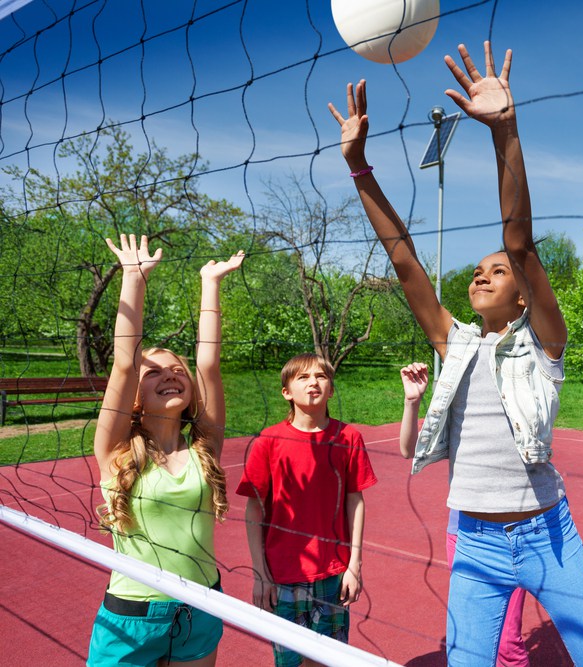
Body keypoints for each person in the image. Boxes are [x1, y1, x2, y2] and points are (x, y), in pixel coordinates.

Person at [329, 41, 583, 666]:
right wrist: (360, 167)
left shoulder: (545, 341)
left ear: (523, 293)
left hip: (549, 534)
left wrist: (505, 132)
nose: (483, 275)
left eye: (498, 271)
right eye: (478, 271)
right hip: (475, 543)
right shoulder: (454, 341)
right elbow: (403, 257)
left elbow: (520, 242)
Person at [88, 234, 244, 667]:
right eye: (153, 372)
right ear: (135, 397)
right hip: (132, 615)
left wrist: (210, 283)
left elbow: (208, 364)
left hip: (201, 606)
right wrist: (133, 279)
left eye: (177, 369)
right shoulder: (116, 451)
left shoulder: (204, 449)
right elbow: (124, 360)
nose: (170, 374)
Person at [236, 353, 378, 667]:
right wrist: (260, 573)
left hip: (333, 572)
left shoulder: (348, 437)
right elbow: (254, 511)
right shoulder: (268, 441)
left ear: (331, 388)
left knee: (328, 660)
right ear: (286, 391)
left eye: (321, 376)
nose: (313, 381)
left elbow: (356, 501)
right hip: (283, 574)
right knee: (289, 662)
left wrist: (354, 564)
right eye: (302, 377)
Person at [399, 363, 529, 667]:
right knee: (471, 640)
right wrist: (412, 400)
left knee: (507, 642)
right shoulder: (460, 413)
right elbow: (408, 449)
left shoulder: (520, 404)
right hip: (464, 534)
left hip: (514, 535)